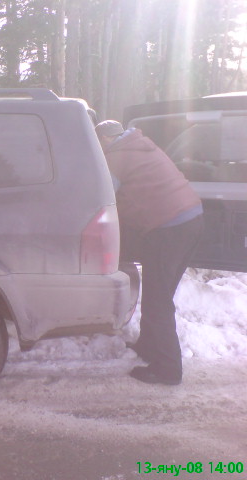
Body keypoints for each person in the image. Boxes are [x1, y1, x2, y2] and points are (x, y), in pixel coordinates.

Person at [95, 120, 204, 385]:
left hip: (168, 228)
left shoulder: (115, 158)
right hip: (191, 219)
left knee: (158, 300)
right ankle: (148, 345)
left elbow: (102, 198)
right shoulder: (141, 144)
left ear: (105, 140)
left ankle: (168, 370)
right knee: (159, 293)